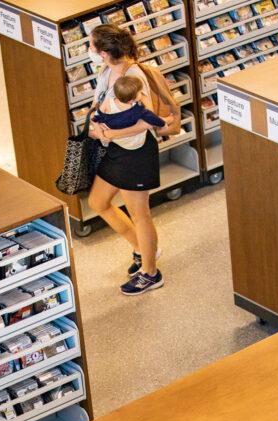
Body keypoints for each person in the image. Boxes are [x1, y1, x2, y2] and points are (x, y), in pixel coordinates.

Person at [87, 24, 167, 296]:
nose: (89, 51)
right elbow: (101, 102)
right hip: (115, 150)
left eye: (92, 46)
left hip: (136, 153)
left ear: (105, 51)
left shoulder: (135, 77)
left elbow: (147, 122)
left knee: (139, 213)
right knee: (98, 202)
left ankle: (151, 272)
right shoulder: (106, 70)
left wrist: (108, 132)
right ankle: (142, 248)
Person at [92, 75, 172, 149]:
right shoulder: (138, 109)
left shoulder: (107, 103)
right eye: (140, 92)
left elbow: (95, 119)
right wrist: (163, 124)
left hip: (117, 141)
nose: (142, 93)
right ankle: (168, 119)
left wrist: (101, 135)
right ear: (131, 100)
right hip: (134, 142)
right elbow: (152, 118)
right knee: (147, 123)